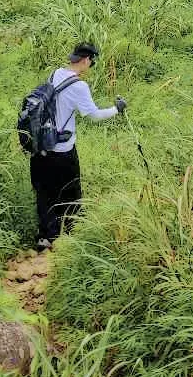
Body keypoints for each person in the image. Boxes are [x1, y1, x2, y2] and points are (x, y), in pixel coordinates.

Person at [31, 43, 125, 251]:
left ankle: (46, 238)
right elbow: (93, 115)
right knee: (70, 194)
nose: (91, 65)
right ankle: (71, 237)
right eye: (92, 61)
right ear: (85, 60)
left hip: (41, 149)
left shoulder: (55, 74)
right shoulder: (78, 86)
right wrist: (116, 110)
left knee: (45, 193)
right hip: (63, 152)